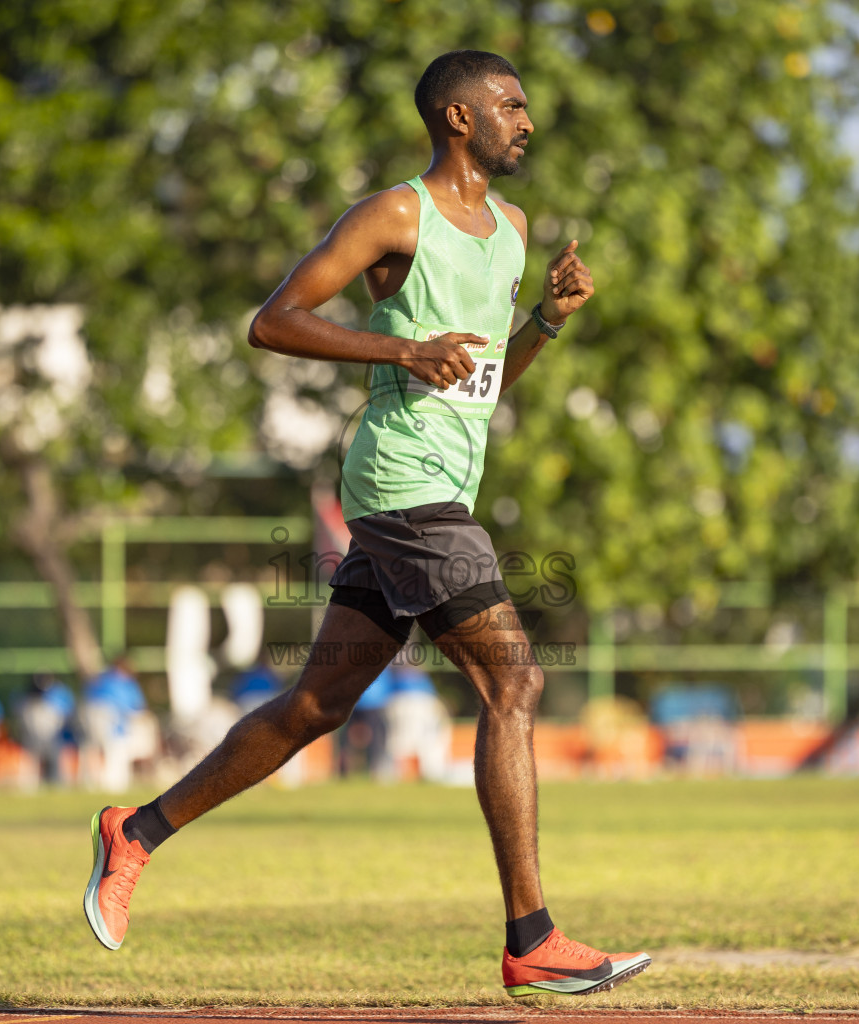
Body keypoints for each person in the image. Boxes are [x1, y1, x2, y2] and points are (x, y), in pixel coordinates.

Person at [81, 50, 649, 997]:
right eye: (511, 105)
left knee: (317, 707)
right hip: (401, 485)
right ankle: (532, 938)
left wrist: (546, 322)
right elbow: (274, 321)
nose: (527, 121)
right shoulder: (395, 216)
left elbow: (482, 383)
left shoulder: (513, 232)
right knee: (515, 681)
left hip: (442, 490)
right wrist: (399, 349)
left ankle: (134, 831)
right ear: (458, 117)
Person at [78, 656, 152, 793]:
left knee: (91, 748)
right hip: (113, 727)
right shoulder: (125, 685)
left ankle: (90, 781)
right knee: (118, 747)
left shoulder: (98, 681)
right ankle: (114, 784)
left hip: (92, 724)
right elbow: (137, 709)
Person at [16, 673, 75, 785]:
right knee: (59, 751)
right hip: (50, 740)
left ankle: (33, 783)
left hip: (33, 741)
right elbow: (64, 721)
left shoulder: (22, 702)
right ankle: (58, 783)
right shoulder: (54, 702)